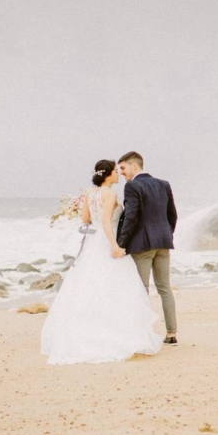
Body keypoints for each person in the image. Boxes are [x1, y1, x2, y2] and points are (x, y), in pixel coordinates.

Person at [40, 160, 163, 365]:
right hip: (106, 242)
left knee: (89, 284)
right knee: (116, 286)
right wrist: (115, 245)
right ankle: (113, 332)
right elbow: (107, 221)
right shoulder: (111, 194)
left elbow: (85, 219)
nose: (118, 174)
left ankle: (82, 330)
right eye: (116, 171)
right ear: (107, 175)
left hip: (92, 243)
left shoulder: (90, 194)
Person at [116, 151, 179, 345]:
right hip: (163, 243)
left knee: (141, 289)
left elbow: (131, 218)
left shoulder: (132, 186)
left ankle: (143, 333)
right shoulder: (163, 184)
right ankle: (171, 333)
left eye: (123, 168)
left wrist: (121, 244)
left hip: (142, 245)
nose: (121, 173)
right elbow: (172, 215)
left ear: (135, 166)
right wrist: (166, 234)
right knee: (164, 288)